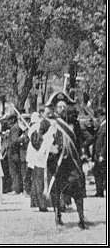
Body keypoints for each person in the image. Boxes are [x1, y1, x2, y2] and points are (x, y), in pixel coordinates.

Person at [43, 92, 88, 229]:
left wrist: (84, 153)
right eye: (59, 106)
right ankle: (57, 217)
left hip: (72, 162)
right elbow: (36, 139)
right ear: (54, 108)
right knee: (56, 191)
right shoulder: (48, 122)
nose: (62, 109)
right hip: (56, 163)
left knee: (78, 189)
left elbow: (80, 140)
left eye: (64, 106)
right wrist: (50, 148)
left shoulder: (74, 122)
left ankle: (81, 218)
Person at [8, 113, 29, 195]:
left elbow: (14, 141)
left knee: (16, 171)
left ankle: (18, 189)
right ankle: (17, 188)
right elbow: (15, 140)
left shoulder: (17, 128)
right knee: (16, 171)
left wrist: (22, 137)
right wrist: (22, 137)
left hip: (16, 152)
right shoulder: (17, 128)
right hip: (15, 152)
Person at [92, 109, 106, 197]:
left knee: (101, 172)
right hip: (98, 155)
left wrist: (102, 155)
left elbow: (106, 143)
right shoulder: (101, 126)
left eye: (98, 117)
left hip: (102, 155)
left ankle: (100, 191)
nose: (98, 119)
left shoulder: (105, 127)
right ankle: (99, 191)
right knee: (97, 172)